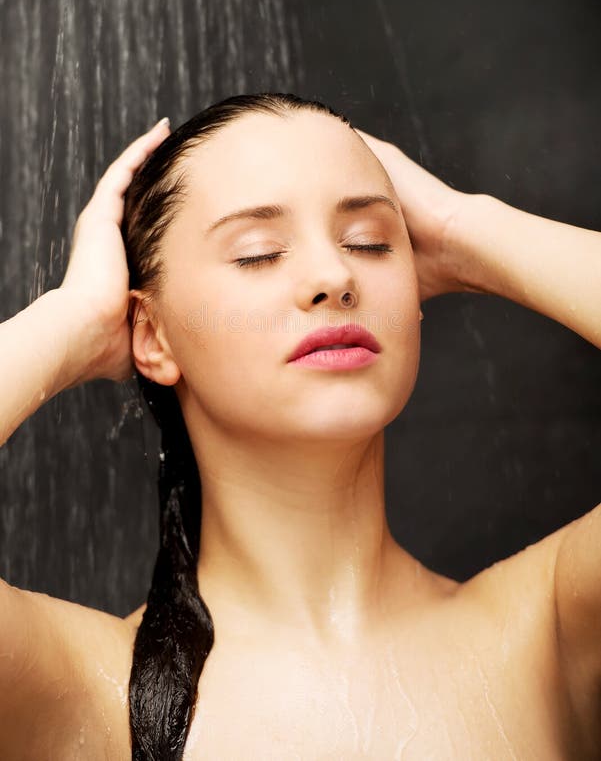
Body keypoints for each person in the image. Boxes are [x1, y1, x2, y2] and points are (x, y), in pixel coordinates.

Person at [0, 91, 599, 760]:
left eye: (369, 242)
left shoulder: (548, 631)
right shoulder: (78, 686)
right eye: (258, 252)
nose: (333, 275)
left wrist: (466, 229)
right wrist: (74, 318)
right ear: (152, 334)